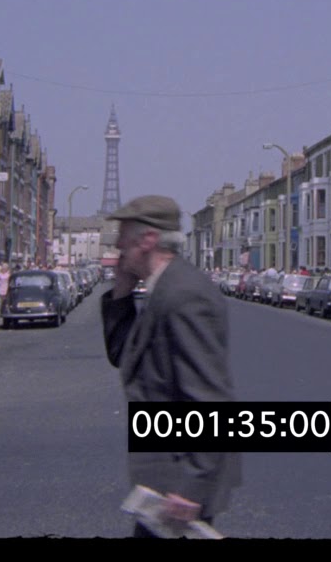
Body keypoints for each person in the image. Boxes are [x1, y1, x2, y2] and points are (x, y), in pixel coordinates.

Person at [101, 195, 241, 537]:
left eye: (124, 233)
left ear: (148, 240)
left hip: (181, 479)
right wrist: (121, 292)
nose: (117, 244)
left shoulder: (184, 294)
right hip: (165, 482)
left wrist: (192, 485)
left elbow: (211, 398)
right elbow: (126, 357)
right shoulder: (163, 288)